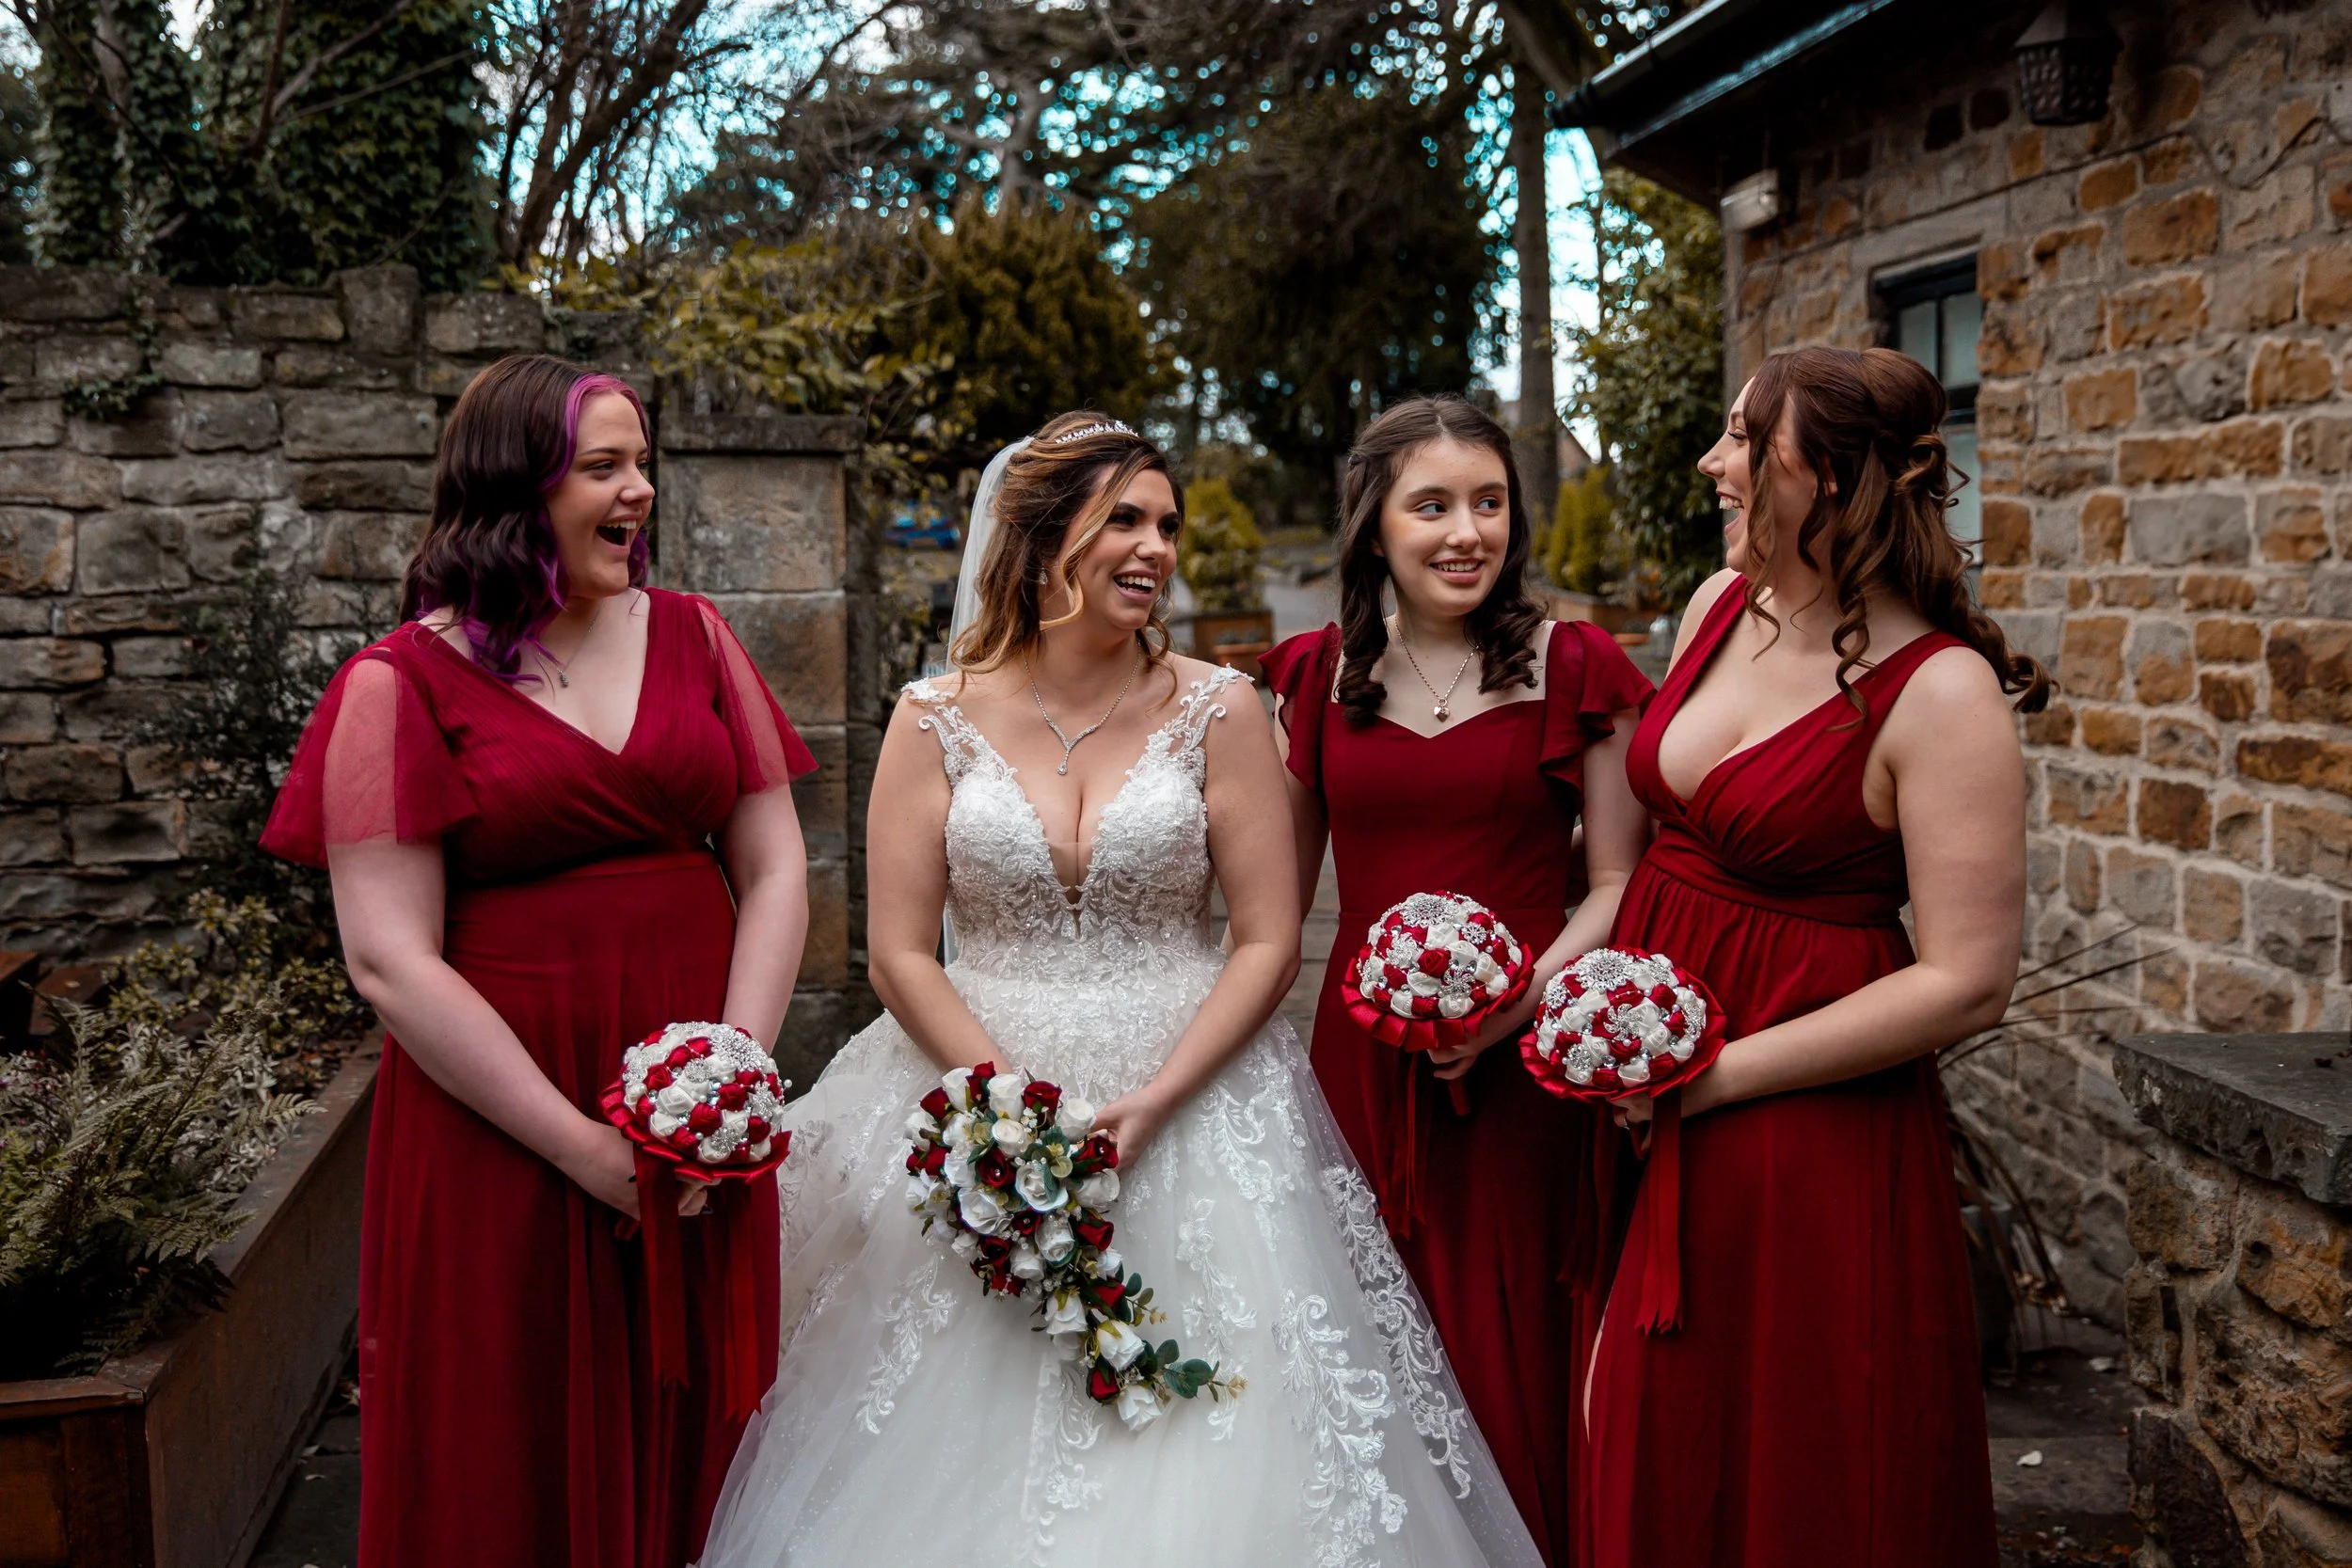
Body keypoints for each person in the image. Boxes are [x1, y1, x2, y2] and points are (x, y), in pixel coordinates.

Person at [699, 412, 1545, 1568]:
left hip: (1192, 1093)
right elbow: (898, 950)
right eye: (1123, 521)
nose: (1154, 547)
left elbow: (1265, 939)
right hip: (975, 1082)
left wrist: (1154, 1101)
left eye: (1167, 524)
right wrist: (1005, 1109)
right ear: (1044, 538)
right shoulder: (930, 717)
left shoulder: (1221, 708)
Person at [262, 356, 816, 1567]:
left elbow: (773, 867)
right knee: (507, 1430)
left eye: (643, 462)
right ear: (517, 489)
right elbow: (390, 961)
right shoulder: (395, 681)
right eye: (605, 466)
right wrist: (583, 1147)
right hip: (503, 1120)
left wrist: (727, 1078)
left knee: (707, 1421)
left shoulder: (696, 634)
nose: (641, 490)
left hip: (695, 1112)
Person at [1582, 346, 2047, 1566]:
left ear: (1827, 476)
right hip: (1639, 1087)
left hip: (1799, 1112)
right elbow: (1633, 843)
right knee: (1649, 1423)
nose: (1713, 461)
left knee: (1794, 1448)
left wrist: (1718, 1076)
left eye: (1744, 439)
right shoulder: (1715, 606)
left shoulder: (1941, 694)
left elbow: (1969, 975)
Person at [1258, 396, 1652, 1563]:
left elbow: (1617, 882)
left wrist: (1514, 1001)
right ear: (1372, 523)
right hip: (1358, 1060)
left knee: (1511, 1328)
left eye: (1488, 502)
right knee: (1365, 1329)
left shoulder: (1573, 664)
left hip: (1529, 1065)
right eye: (1431, 505)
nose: (1465, 531)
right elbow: (1273, 908)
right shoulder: (1314, 676)